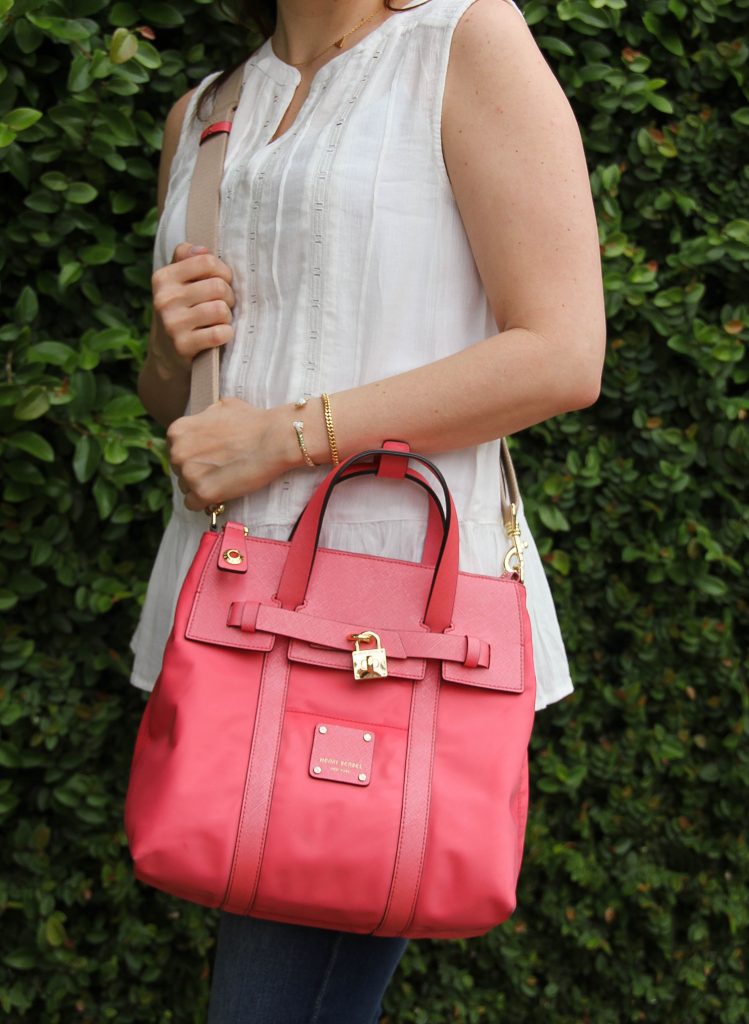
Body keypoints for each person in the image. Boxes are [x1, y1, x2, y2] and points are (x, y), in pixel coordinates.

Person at [129, 0, 606, 1019]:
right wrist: (171, 354)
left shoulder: (463, 41)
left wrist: (289, 434)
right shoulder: (205, 110)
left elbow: (561, 352)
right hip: (221, 629)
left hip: (382, 649)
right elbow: (187, 410)